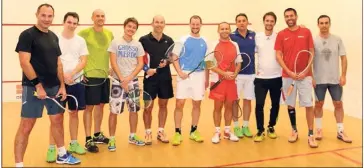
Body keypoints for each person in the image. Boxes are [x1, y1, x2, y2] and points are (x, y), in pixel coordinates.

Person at [14, 4, 80, 167]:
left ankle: (62, 155)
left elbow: (58, 63)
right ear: (37, 14)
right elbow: (24, 62)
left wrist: (62, 86)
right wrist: (38, 86)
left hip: (54, 86)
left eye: (50, 16)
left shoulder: (53, 36)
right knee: (26, 126)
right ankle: (19, 164)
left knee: (57, 120)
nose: (46, 19)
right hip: (33, 88)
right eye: (43, 15)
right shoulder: (27, 35)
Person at [46, 12, 89, 162]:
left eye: (74, 23)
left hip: (76, 81)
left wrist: (72, 74)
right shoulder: (54, 38)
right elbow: (51, 59)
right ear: (64, 22)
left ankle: (74, 143)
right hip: (57, 83)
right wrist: (62, 77)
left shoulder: (81, 40)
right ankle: (52, 148)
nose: (72, 25)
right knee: (56, 117)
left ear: (77, 25)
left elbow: (83, 61)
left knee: (74, 113)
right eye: (69, 22)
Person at [275, 8, 317, 148]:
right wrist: (288, 71)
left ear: (296, 16)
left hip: (305, 76)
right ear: (284, 18)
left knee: (308, 105)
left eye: (291, 15)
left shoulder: (306, 32)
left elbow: (312, 52)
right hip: (288, 76)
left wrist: (306, 71)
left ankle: (311, 134)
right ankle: (294, 130)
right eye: (286, 16)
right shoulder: (281, 34)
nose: (289, 18)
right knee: (291, 104)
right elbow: (278, 55)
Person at [107, 17, 146, 151]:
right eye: (129, 26)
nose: (131, 29)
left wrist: (128, 78)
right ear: (124, 27)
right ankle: (111, 139)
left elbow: (140, 63)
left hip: (133, 82)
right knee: (114, 112)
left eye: (134, 27)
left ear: (136, 30)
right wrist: (122, 79)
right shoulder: (115, 42)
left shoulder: (138, 45)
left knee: (134, 111)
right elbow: (113, 62)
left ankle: (132, 136)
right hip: (118, 82)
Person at [78, 9, 113, 152]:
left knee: (100, 106)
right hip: (90, 76)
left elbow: (112, 53)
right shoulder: (84, 34)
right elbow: (76, 52)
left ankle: (97, 134)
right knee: (89, 108)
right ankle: (88, 139)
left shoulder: (109, 34)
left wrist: (111, 67)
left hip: (104, 76)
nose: (100, 18)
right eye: (97, 16)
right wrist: (80, 72)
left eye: (102, 16)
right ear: (92, 18)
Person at [313, 15, 351, 143]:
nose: (324, 25)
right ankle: (318, 129)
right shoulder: (313, 40)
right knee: (318, 104)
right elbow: (308, 60)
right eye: (321, 23)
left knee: (338, 104)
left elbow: (344, 58)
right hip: (318, 80)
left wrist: (343, 75)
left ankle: (340, 131)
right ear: (318, 25)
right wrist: (311, 77)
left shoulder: (337, 40)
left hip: (335, 80)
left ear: (330, 24)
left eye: (326, 23)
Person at [171, 15, 209, 146]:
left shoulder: (205, 40)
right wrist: (179, 72)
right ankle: (177, 132)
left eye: (197, 24)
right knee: (179, 104)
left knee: (197, 104)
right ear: (189, 24)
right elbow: (174, 57)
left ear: (201, 25)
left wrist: (207, 79)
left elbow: (208, 61)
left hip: (199, 76)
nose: (195, 26)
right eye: (193, 24)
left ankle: (194, 131)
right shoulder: (182, 39)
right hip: (184, 75)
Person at [139, 15, 174, 145]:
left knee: (163, 105)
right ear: (152, 24)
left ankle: (161, 131)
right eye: (157, 22)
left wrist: (167, 61)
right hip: (150, 79)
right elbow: (139, 59)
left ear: (164, 24)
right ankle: (148, 132)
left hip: (165, 78)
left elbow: (171, 58)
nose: (159, 24)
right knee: (148, 107)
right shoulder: (143, 40)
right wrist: (146, 69)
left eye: (161, 22)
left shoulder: (169, 40)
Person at [209, 22, 242, 144]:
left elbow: (239, 62)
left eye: (226, 28)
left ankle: (227, 131)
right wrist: (223, 73)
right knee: (217, 107)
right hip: (217, 81)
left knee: (229, 107)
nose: (224, 30)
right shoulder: (213, 44)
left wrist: (235, 73)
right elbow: (208, 64)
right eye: (222, 29)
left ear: (230, 30)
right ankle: (217, 132)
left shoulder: (235, 45)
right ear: (218, 30)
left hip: (231, 82)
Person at [253, 12, 282, 142]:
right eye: (267, 20)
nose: (269, 23)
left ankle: (271, 127)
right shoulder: (256, 37)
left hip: (277, 77)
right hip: (260, 79)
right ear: (263, 21)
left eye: (272, 21)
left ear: (274, 23)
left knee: (275, 104)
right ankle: (260, 130)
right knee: (259, 104)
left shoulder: (279, 36)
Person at [230, 13, 256, 138]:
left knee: (247, 101)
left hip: (251, 74)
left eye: (243, 20)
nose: (241, 22)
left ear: (247, 22)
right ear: (236, 23)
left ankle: (245, 126)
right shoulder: (231, 36)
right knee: (235, 101)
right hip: (237, 75)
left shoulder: (254, 35)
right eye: (239, 21)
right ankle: (235, 126)